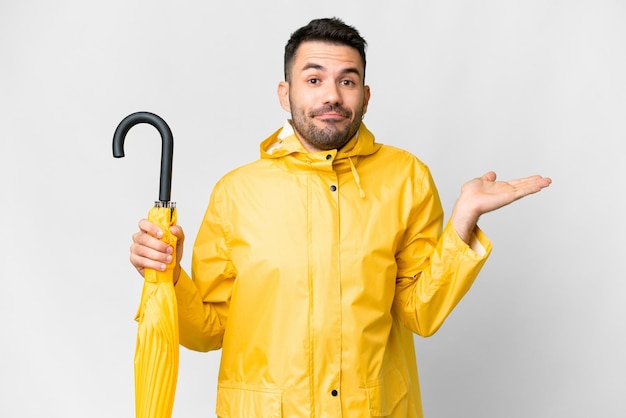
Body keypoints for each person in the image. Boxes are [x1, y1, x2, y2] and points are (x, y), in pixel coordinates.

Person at [129, 17, 551, 418]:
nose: (331, 95)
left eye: (347, 81)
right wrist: (169, 276)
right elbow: (207, 331)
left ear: (365, 95)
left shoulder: (406, 178)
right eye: (313, 80)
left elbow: (420, 313)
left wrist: (464, 219)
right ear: (285, 93)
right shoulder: (237, 192)